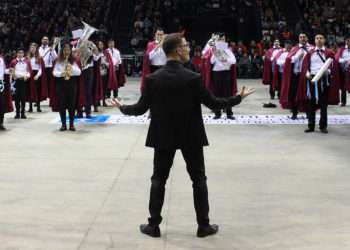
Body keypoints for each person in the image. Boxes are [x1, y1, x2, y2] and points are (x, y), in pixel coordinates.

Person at [111, 33, 255, 238]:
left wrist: (123, 108)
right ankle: (203, 226)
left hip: (163, 135)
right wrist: (238, 98)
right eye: (186, 45)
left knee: (158, 179)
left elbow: (141, 108)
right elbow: (215, 103)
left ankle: (153, 225)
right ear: (178, 50)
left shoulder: (153, 79)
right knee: (198, 180)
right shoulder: (193, 78)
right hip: (191, 135)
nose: (189, 48)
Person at [297, 34, 339, 134]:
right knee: (311, 104)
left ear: (324, 40)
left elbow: (333, 67)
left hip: (324, 81)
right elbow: (305, 66)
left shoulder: (329, 52)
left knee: (323, 104)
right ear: (314, 40)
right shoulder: (310, 52)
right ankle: (311, 125)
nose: (319, 40)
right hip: (312, 80)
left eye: (321, 38)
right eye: (317, 38)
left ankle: (323, 126)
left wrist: (327, 72)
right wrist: (307, 74)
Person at [280, 33, 313, 119]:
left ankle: (308, 113)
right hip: (296, 75)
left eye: (304, 37)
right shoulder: (295, 48)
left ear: (307, 38)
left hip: (307, 76)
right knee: (294, 94)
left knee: (307, 95)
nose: (302, 38)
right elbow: (288, 60)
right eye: (300, 37)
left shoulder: (312, 48)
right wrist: (297, 57)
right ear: (298, 39)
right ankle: (294, 113)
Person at [52, 42, 82, 131]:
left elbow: (79, 72)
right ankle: (63, 124)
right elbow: (54, 72)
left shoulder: (74, 60)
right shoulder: (58, 60)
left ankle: (72, 124)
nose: (66, 52)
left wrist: (70, 69)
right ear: (62, 51)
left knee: (72, 105)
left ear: (70, 51)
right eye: (65, 50)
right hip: (61, 84)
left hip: (72, 84)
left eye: (68, 50)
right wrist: (62, 73)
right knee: (62, 105)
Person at [9, 48, 34, 119]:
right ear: (17, 54)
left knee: (23, 98)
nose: (20, 54)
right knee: (17, 98)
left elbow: (29, 71)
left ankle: (23, 113)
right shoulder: (13, 61)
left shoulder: (27, 61)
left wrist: (27, 76)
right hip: (16, 81)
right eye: (19, 53)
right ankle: (17, 113)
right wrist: (12, 79)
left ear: (23, 54)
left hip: (23, 81)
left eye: (22, 53)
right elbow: (10, 71)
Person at [140, 28, 166, 92]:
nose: (159, 36)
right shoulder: (150, 44)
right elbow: (149, 57)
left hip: (164, 68)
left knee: (163, 87)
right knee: (154, 87)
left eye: (161, 35)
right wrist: (158, 46)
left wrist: (163, 44)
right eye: (158, 34)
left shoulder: (166, 45)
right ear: (155, 35)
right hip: (154, 68)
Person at [27, 43, 48, 113]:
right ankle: (30, 107)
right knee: (29, 91)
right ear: (30, 49)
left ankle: (38, 107)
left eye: (34, 48)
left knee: (38, 91)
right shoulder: (27, 58)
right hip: (29, 74)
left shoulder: (39, 57)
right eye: (31, 48)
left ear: (36, 49)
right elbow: (26, 67)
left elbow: (41, 68)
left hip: (36, 74)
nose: (32, 49)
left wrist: (37, 75)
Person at [334, 36, 350, 106]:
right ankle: (343, 102)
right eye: (348, 41)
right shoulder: (342, 49)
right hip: (344, 70)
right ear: (346, 41)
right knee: (343, 87)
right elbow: (337, 58)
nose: (349, 42)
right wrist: (345, 61)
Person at [0, 55, 13, 130]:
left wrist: (9, 70)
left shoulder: (1, 59)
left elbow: (4, 71)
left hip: (1, 83)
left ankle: (1, 122)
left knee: (2, 104)